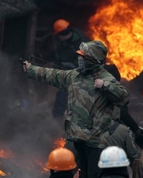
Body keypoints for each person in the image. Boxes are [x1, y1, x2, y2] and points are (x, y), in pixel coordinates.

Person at [23, 40, 130, 178]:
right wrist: (31, 69)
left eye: (83, 56)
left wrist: (106, 86)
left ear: (93, 59)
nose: (79, 58)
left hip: (95, 142)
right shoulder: (74, 75)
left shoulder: (107, 79)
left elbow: (124, 98)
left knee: (93, 175)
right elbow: (52, 74)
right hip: (75, 138)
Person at [52, 19, 90, 119]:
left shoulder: (83, 42)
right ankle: (57, 119)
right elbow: (58, 59)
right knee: (61, 95)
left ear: (62, 34)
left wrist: (74, 65)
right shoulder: (61, 44)